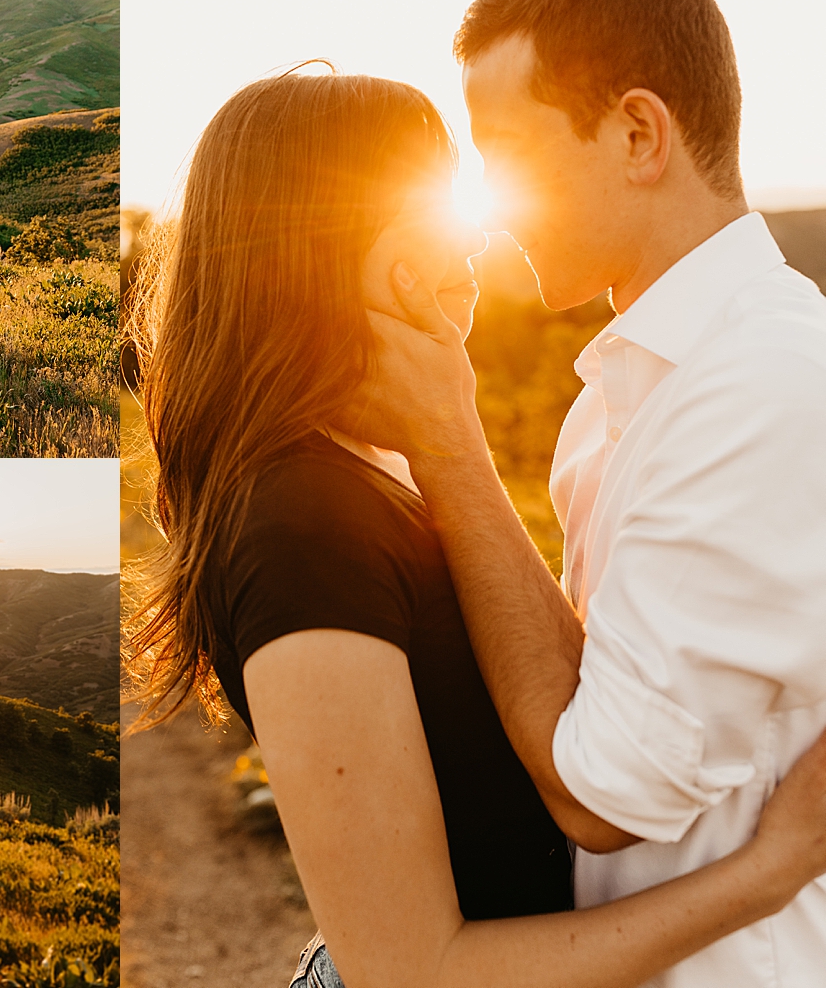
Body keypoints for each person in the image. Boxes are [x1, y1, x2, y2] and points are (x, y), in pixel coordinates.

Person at [124, 66, 826, 988]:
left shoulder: (381, 464)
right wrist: (768, 873)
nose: (473, 233)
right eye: (424, 203)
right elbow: (414, 968)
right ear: (311, 242)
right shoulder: (298, 521)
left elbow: (572, 696)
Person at [356, 0, 826, 987]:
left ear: (636, 133)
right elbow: (597, 687)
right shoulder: (629, 390)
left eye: (507, 156)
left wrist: (444, 436)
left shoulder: (764, 384)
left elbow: (600, 797)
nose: (488, 205)